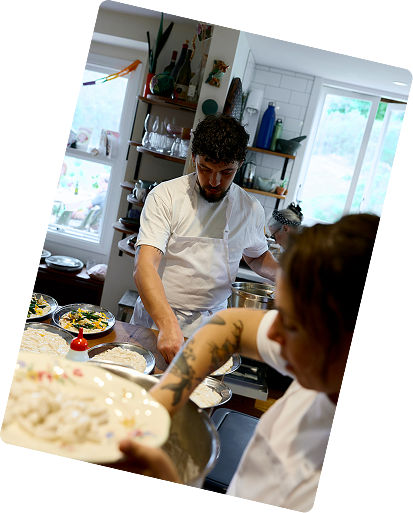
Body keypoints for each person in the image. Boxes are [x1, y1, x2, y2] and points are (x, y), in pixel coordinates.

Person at [107, 213, 380, 511]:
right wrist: (159, 407)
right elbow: (231, 325)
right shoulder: (322, 368)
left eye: (291, 324)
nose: (272, 331)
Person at [131, 114, 279, 364]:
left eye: (226, 172)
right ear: (194, 158)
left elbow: (256, 256)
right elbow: (144, 266)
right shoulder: (166, 196)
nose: (213, 181)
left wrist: (287, 277)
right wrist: (167, 324)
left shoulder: (250, 209)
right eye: (205, 168)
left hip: (210, 327)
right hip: (158, 322)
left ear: (240, 164)